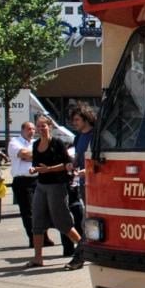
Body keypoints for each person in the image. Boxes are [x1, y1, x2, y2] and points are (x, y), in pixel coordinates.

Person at [26, 117, 82, 267]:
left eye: (43, 126)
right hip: (41, 185)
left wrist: (48, 169)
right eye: (38, 126)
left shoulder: (57, 143)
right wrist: (33, 169)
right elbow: (35, 165)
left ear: (49, 127)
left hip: (56, 186)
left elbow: (67, 164)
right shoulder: (36, 144)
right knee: (36, 221)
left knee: (61, 222)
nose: (40, 129)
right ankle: (37, 258)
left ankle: (84, 249)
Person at [63, 102, 97, 270]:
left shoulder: (96, 135)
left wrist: (88, 170)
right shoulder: (79, 137)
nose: (74, 123)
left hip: (97, 184)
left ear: (86, 118)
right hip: (84, 184)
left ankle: (79, 257)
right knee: (88, 221)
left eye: (77, 119)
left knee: (87, 221)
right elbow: (77, 158)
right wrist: (72, 165)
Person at [7, 120, 44, 248]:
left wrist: (32, 156)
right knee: (28, 212)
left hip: (37, 180)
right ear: (22, 130)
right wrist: (37, 156)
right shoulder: (14, 142)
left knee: (41, 211)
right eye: (29, 129)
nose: (32, 131)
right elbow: (22, 153)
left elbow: (44, 156)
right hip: (22, 182)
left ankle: (43, 237)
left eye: (33, 129)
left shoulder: (36, 143)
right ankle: (34, 239)